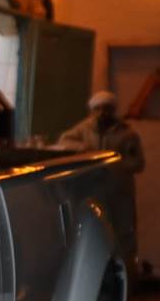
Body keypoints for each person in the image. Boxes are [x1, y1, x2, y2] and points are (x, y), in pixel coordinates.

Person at [57, 89, 146, 267]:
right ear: (92, 110)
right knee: (96, 231)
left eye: (107, 108)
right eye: (98, 108)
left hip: (119, 192)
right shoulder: (84, 129)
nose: (102, 113)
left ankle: (126, 271)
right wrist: (84, 149)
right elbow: (64, 141)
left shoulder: (127, 134)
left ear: (113, 110)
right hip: (94, 190)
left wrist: (117, 163)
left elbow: (138, 163)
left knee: (123, 232)